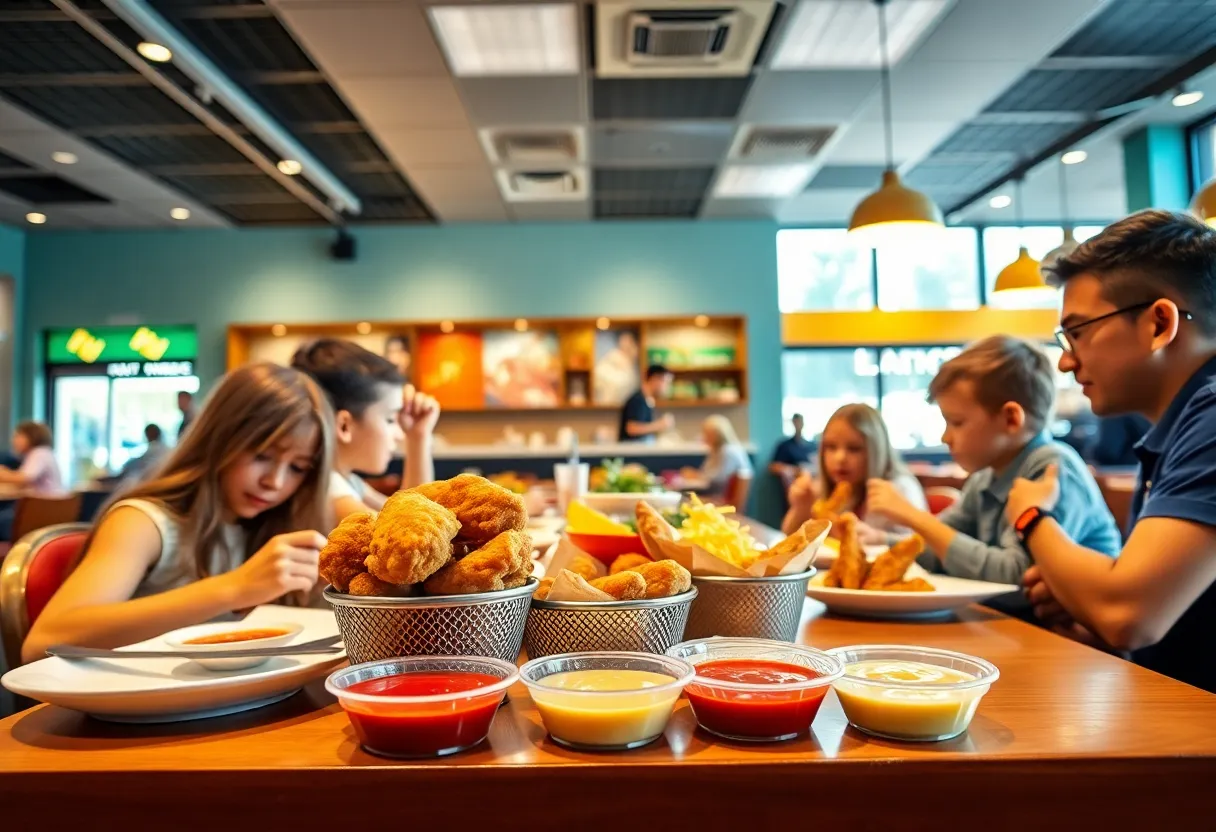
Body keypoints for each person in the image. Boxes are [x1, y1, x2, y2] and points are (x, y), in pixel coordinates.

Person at [1005, 210, 1216, 692]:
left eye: (1078, 331)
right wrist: (1088, 609)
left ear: (1159, 323)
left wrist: (1032, 520)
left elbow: (1130, 614)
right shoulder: (1182, 427)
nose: (1064, 360)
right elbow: (1143, 630)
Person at [21, 363, 333, 662]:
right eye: (261, 455)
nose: (274, 482)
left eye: (298, 467)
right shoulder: (142, 521)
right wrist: (234, 587)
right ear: (218, 438)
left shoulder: (266, 526)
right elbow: (43, 642)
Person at [862, 336, 1119, 588]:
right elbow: (940, 547)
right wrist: (881, 540)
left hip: (1070, 629)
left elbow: (1017, 577)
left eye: (957, 422)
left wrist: (913, 516)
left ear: (1010, 419)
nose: (945, 437)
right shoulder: (985, 477)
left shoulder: (1053, 470)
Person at [292, 338, 439, 524]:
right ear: (344, 426)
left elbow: (409, 510)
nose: (399, 434)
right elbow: (412, 530)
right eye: (390, 419)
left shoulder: (346, 480)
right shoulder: (331, 494)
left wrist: (418, 436)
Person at [782, 404, 925, 538]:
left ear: (877, 450)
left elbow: (921, 548)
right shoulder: (821, 490)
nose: (840, 458)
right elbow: (788, 540)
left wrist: (873, 537)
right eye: (831, 447)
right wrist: (800, 510)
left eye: (854, 448)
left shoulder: (900, 489)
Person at [0, 421, 66, 540]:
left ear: (31, 436)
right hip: (46, 511)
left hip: (42, 513)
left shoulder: (39, 453)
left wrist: (3, 473)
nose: (14, 441)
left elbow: (25, 477)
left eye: (18, 436)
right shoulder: (42, 454)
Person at [696, 415, 753, 496]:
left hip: (721, 497)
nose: (705, 437)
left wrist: (697, 476)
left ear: (718, 434)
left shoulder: (729, 451)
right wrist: (699, 475)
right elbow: (706, 471)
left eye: (708, 434)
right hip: (717, 494)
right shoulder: (716, 450)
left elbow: (719, 478)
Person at [618, 364, 675, 442]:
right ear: (655, 379)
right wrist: (659, 425)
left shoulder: (647, 400)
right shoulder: (637, 400)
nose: (667, 387)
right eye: (666, 382)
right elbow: (631, 428)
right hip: (633, 451)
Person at [768, 413, 814, 488]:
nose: (798, 424)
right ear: (793, 423)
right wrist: (794, 470)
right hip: (793, 485)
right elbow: (772, 467)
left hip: (812, 483)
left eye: (800, 422)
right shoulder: (785, 446)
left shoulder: (812, 446)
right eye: (796, 422)